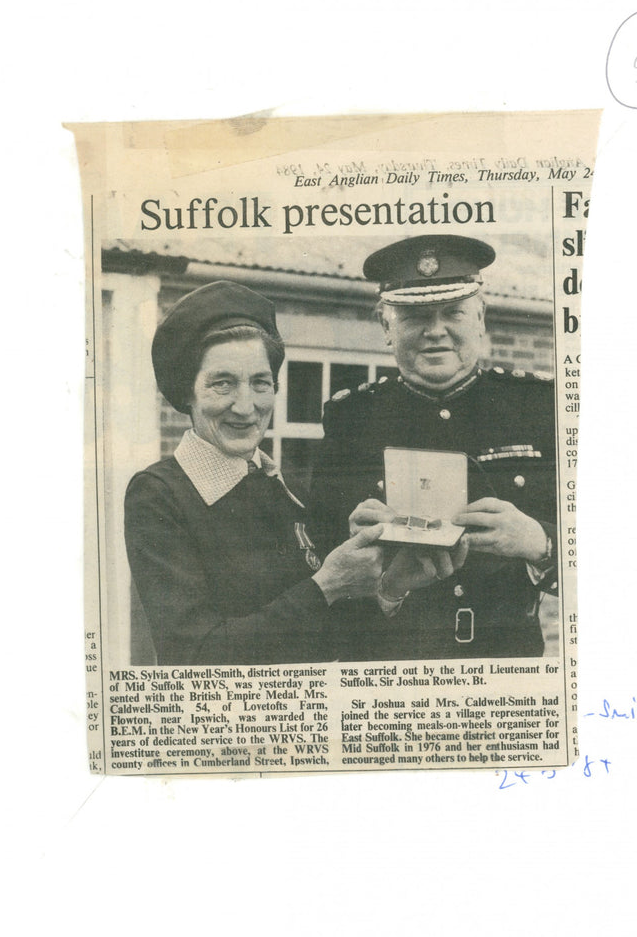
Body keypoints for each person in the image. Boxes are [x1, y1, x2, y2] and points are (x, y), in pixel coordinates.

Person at [124, 280, 459, 665]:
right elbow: (195, 657)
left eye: (260, 383)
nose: (246, 406)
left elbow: (327, 640)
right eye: (222, 384)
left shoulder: (286, 487)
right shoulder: (160, 494)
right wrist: (327, 585)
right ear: (188, 392)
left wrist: (390, 587)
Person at [308, 235, 558, 660]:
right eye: (414, 316)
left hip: (507, 666)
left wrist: (541, 543)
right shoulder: (350, 420)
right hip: (387, 666)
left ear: (480, 318)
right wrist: (371, 572)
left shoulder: (539, 408)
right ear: (387, 326)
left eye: (453, 312)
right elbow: (318, 567)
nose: (435, 331)